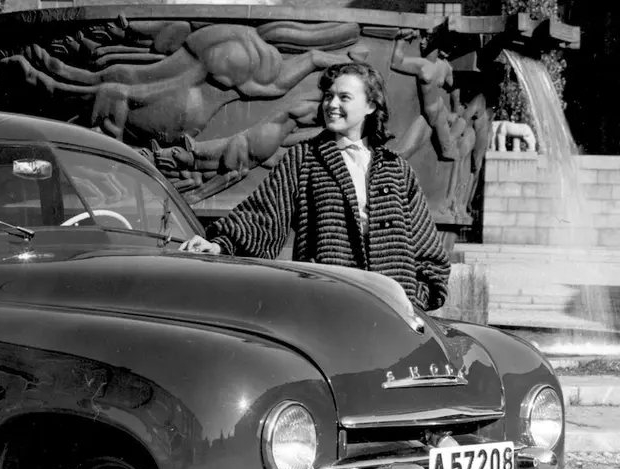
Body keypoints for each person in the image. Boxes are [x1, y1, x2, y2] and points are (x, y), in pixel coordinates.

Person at [179, 62, 451, 311]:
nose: (332, 104)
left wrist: (414, 297)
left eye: (344, 97)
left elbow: (428, 251)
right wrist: (219, 245)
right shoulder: (304, 158)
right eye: (329, 96)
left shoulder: (397, 169)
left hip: (394, 315)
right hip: (327, 305)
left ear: (370, 105)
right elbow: (263, 217)